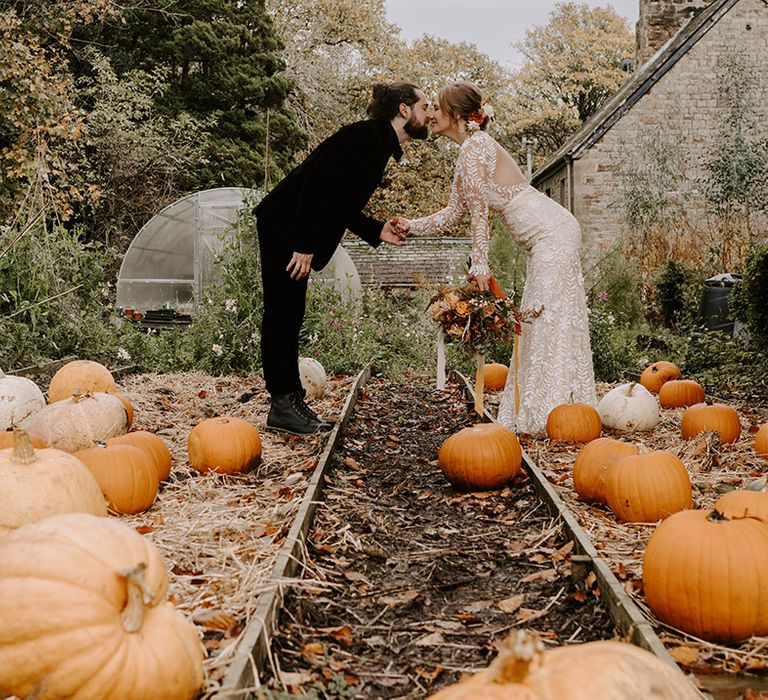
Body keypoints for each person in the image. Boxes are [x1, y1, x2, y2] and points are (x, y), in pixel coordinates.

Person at [403, 81, 596, 435]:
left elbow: (480, 214)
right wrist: (407, 226)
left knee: (545, 318)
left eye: (437, 108)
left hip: (553, 234)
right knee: (541, 319)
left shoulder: (475, 149)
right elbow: (452, 213)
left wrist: (480, 264)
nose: (431, 115)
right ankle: (547, 409)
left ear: (457, 116)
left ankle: (554, 414)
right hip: (545, 239)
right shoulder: (469, 151)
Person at [255, 82, 429, 435]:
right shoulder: (365, 137)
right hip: (283, 226)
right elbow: (317, 186)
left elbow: (339, 201)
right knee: (282, 313)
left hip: (292, 228)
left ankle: (290, 399)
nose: (430, 114)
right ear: (404, 109)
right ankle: (283, 405)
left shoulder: (378, 142)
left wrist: (376, 229)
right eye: (425, 106)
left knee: (291, 313)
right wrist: (303, 244)